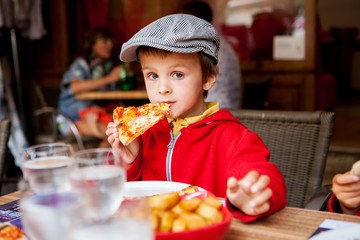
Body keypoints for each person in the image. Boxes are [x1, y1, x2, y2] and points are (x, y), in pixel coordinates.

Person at [106, 14, 286, 222]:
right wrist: (128, 162)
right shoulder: (144, 136)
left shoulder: (233, 138)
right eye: (152, 76)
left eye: (178, 74)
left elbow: (267, 179)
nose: (162, 89)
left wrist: (253, 195)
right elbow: (118, 195)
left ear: (208, 78)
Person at [58, 27, 121, 143]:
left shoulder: (107, 65)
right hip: (71, 118)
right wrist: (110, 78)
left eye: (111, 41)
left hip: (94, 114)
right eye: (104, 41)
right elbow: (74, 87)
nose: (110, 45)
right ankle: (103, 157)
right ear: (92, 44)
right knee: (117, 133)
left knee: (119, 129)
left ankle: (103, 158)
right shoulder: (82, 63)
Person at [181, 1, 242, 109]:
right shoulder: (219, 42)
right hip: (229, 108)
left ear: (188, 23)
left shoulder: (200, 47)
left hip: (213, 112)